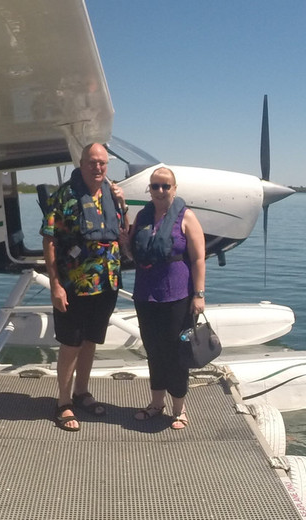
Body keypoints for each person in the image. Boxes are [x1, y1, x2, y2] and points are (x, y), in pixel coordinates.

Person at [40, 142, 128, 432]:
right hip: (74, 283)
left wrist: (124, 204)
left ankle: (82, 392)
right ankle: (63, 402)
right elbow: (50, 240)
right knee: (71, 343)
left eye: (102, 162)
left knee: (91, 340)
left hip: (107, 282)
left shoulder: (111, 194)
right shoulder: (65, 196)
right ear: (81, 163)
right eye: (92, 162)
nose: (98, 167)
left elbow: (121, 232)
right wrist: (55, 285)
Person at [127, 166, 206, 430]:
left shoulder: (186, 217)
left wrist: (199, 294)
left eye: (165, 186)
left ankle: (179, 409)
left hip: (177, 296)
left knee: (175, 352)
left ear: (174, 188)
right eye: (155, 186)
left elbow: (197, 258)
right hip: (146, 295)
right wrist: (122, 238)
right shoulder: (143, 216)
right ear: (149, 189)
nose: (160, 191)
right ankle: (156, 403)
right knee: (153, 349)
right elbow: (133, 254)